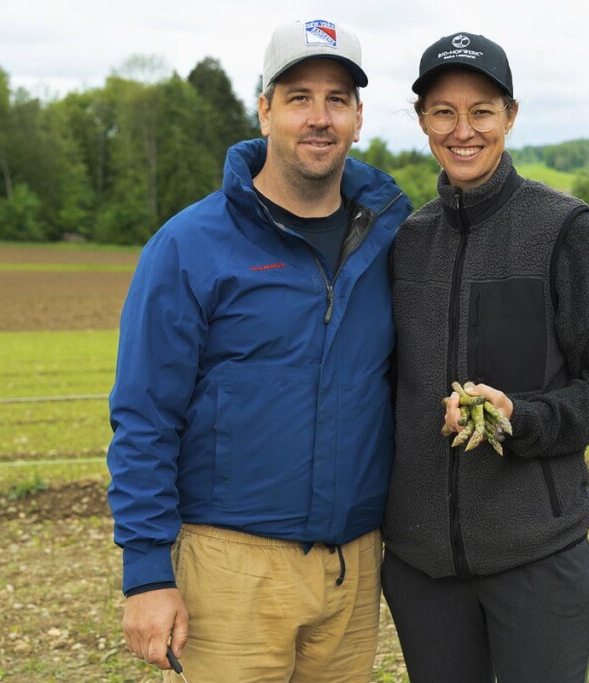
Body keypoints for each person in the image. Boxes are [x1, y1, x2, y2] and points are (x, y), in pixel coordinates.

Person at [106, 18, 411, 682]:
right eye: (299, 96)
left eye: (337, 98)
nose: (318, 117)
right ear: (264, 109)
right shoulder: (190, 246)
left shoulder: (394, 239)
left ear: (359, 116)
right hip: (230, 569)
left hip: (352, 568)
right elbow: (144, 417)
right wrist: (147, 572)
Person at [381, 31, 589, 682]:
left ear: (511, 116)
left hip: (538, 563)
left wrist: (520, 418)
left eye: (482, 111)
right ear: (422, 121)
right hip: (422, 572)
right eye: (443, 111)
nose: (462, 129)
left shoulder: (565, 229)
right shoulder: (406, 244)